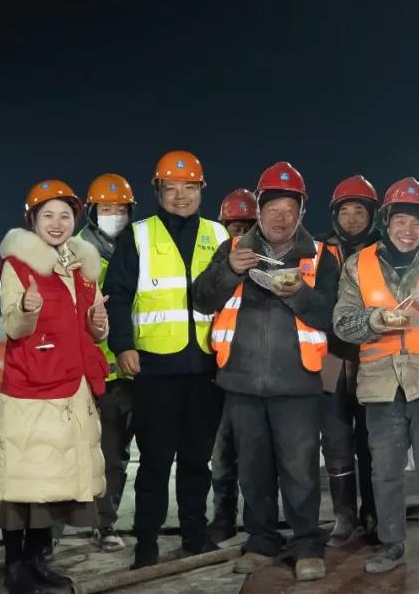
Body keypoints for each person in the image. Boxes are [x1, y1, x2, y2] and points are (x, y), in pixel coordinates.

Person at [194, 161, 338, 581]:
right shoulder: (233, 250)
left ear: (301, 213)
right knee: (252, 471)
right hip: (242, 382)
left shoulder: (320, 256)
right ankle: (261, 541)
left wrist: (299, 294)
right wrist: (230, 270)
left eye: (290, 210)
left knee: (300, 470)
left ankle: (307, 544)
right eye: (273, 208)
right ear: (258, 210)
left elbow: (331, 316)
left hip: (298, 383)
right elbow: (201, 299)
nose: (281, 217)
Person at [333, 178, 419, 574]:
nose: (407, 230)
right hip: (380, 382)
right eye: (400, 221)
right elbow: (343, 323)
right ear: (386, 221)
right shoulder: (357, 264)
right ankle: (390, 545)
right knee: (385, 472)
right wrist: (374, 321)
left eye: (416, 222)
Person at [104, 150, 229, 569]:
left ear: (201, 190)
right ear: (158, 191)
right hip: (155, 367)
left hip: (206, 366)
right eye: (171, 188)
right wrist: (123, 345)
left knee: (197, 460)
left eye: (189, 187)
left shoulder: (218, 234)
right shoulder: (138, 235)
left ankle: (195, 535)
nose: (180, 196)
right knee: (155, 463)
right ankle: (146, 544)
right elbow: (117, 295)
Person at [0, 180, 109, 593]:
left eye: (65, 215)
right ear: (33, 220)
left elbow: (92, 328)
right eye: (48, 215)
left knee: (52, 484)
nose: (57, 223)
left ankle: (39, 561)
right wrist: (26, 309)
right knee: (23, 484)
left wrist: (99, 325)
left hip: (71, 386)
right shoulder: (18, 264)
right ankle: (15, 568)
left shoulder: (80, 266)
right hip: (32, 387)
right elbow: (13, 325)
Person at [316, 175, 383, 546]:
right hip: (330, 357)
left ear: (372, 214)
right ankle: (344, 516)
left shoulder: (384, 251)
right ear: (334, 215)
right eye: (345, 211)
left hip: (371, 356)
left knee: (372, 438)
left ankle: (373, 513)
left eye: (360, 210)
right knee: (335, 436)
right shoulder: (318, 251)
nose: (353, 218)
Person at [77, 173, 135, 553]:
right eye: (106, 208)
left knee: (121, 454)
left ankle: (113, 522)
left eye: (120, 209)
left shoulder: (140, 246)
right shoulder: (75, 252)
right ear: (92, 211)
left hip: (137, 369)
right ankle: (99, 523)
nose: (114, 214)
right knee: (99, 453)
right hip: (96, 371)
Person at [207, 186, 259, 542]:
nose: (240, 233)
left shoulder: (270, 264)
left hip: (256, 375)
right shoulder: (217, 263)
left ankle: (257, 524)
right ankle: (223, 518)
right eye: (234, 226)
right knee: (222, 453)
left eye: (247, 226)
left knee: (256, 456)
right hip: (222, 373)